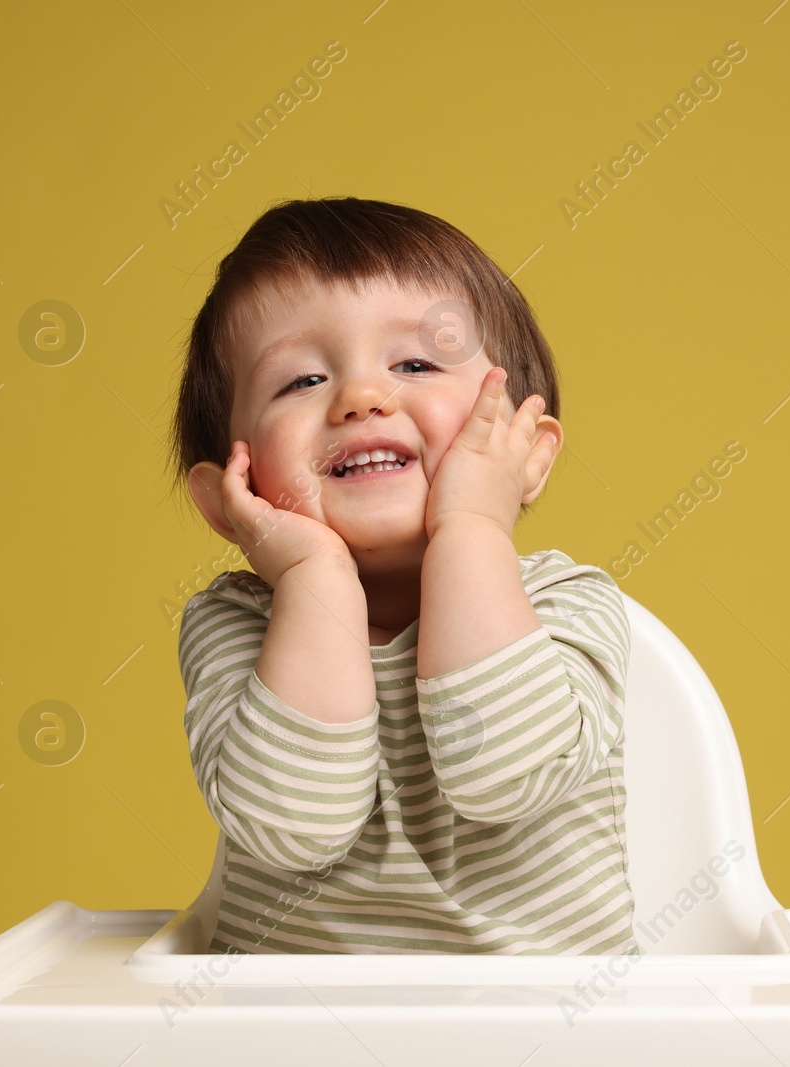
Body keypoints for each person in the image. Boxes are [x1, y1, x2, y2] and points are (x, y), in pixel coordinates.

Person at [166, 196, 636, 955]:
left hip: (550, 1029)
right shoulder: (233, 626)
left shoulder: (571, 604)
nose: (361, 397)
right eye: (300, 381)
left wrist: (474, 528)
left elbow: (504, 778)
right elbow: (293, 828)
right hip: (291, 1032)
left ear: (527, 450)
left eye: (416, 363)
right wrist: (315, 575)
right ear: (230, 498)